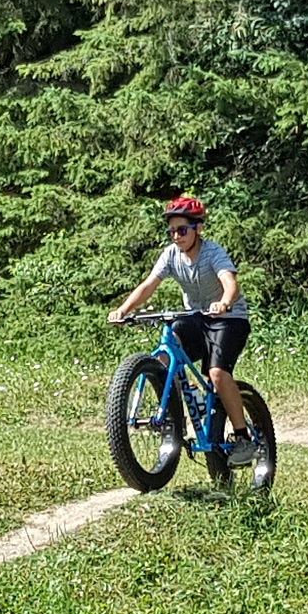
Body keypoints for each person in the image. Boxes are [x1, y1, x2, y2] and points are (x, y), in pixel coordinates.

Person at [108, 195, 255, 467]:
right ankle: (171, 416)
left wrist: (224, 302)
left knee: (217, 373)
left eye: (182, 230)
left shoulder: (213, 252)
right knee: (164, 356)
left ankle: (243, 435)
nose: (176, 236)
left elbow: (230, 283)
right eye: (172, 231)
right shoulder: (171, 255)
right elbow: (149, 285)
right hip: (196, 318)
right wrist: (124, 310)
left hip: (229, 319)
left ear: (198, 229)